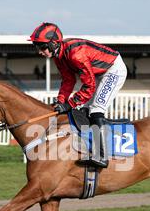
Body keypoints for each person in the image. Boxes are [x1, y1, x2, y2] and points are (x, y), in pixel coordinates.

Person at [29, 22, 127, 168]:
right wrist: (60, 101)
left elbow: (89, 86)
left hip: (113, 70)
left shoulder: (76, 54)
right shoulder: (59, 56)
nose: (39, 51)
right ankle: (87, 148)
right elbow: (68, 80)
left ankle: (101, 156)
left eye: (42, 47)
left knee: (96, 109)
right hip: (97, 74)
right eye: (37, 47)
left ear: (54, 44)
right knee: (84, 111)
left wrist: (70, 104)